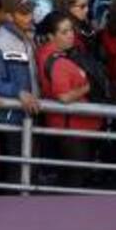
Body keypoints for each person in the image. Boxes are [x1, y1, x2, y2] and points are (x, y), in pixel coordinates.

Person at [0, 0, 40, 183]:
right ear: (9, 15)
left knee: (26, 170)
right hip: (10, 119)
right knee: (14, 173)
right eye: (24, 13)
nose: (30, 17)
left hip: (25, 115)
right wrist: (18, 92)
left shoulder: (27, 34)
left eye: (30, 11)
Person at [37, 10, 101, 188]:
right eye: (64, 32)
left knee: (72, 176)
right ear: (51, 36)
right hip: (73, 128)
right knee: (76, 178)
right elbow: (63, 97)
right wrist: (87, 87)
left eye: (71, 30)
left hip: (70, 126)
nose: (71, 35)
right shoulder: (58, 62)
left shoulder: (46, 53)